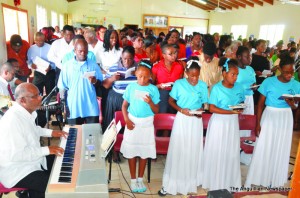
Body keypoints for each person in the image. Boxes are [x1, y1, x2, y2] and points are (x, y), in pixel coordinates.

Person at [0, 83, 68, 198]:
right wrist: (46, 150)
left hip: (31, 161)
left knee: (62, 160)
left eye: (39, 94)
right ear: (22, 100)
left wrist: (52, 132)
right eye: (35, 96)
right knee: (56, 187)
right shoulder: (13, 120)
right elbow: (17, 154)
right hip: (17, 170)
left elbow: (33, 129)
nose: (40, 98)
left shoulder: (24, 112)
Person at [245, 54, 300, 188]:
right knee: (265, 145)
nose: (289, 75)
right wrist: (257, 124)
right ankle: (259, 177)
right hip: (270, 115)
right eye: (287, 72)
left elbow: (296, 106)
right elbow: (260, 104)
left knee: (281, 146)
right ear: (280, 69)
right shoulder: (269, 82)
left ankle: (275, 179)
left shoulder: (296, 84)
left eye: (292, 72)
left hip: (286, 117)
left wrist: (292, 103)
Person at [158, 60, 208, 196]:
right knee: (180, 149)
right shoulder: (179, 84)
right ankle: (173, 182)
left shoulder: (203, 86)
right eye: (192, 75)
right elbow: (170, 101)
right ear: (186, 73)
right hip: (182, 119)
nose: (194, 79)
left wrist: (201, 110)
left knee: (193, 149)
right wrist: (181, 110)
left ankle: (191, 180)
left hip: (196, 121)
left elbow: (205, 104)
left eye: (197, 76)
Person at [202, 58, 245, 191]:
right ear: (224, 74)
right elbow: (211, 108)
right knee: (218, 150)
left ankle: (229, 179)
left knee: (231, 151)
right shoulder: (217, 88)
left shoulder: (239, 87)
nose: (235, 77)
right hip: (220, 122)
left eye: (237, 75)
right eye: (233, 74)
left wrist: (240, 108)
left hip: (232, 122)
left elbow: (241, 102)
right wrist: (230, 111)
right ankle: (215, 179)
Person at [120, 60, 160, 193]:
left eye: (145, 76)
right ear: (136, 73)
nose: (142, 79)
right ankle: (132, 180)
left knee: (144, 153)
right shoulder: (131, 87)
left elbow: (156, 110)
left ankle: (140, 179)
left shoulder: (153, 89)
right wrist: (126, 120)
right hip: (132, 123)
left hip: (147, 124)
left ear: (150, 76)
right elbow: (124, 106)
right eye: (140, 75)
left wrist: (150, 102)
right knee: (132, 152)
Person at [57, 39, 103, 125]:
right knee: (75, 134)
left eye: (85, 51)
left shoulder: (94, 65)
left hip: (91, 106)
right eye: (80, 51)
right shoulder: (67, 66)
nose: (83, 53)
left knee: (91, 134)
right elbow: (62, 87)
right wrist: (64, 105)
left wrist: (95, 81)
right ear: (75, 50)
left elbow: (100, 83)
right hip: (74, 106)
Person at [152, 44, 184, 114]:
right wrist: (159, 86)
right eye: (170, 54)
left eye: (175, 53)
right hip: (162, 94)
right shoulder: (156, 67)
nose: (174, 55)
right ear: (164, 55)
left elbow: (181, 83)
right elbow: (151, 86)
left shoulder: (179, 66)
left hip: (175, 94)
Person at [236, 46, 256, 115]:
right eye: (247, 57)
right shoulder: (234, 70)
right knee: (238, 120)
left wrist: (254, 86)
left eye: (250, 56)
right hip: (238, 98)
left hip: (249, 97)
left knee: (248, 119)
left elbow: (253, 82)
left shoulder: (250, 69)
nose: (250, 59)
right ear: (239, 57)